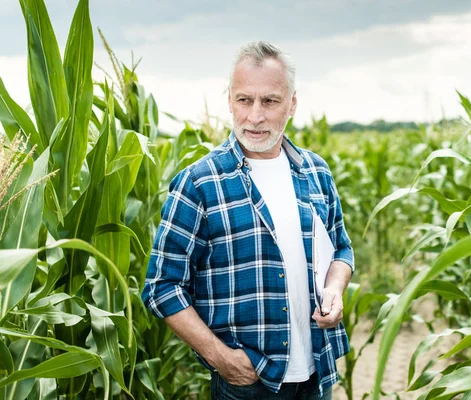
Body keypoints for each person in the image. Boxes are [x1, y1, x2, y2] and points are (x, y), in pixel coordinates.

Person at [142, 41, 354, 400]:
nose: (255, 116)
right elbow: (162, 286)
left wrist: (334, 289)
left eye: (270, 101)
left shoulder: (316, 171)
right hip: (249, 381)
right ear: (229, 101)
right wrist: (219, 357)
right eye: (244, 100)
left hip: (318, 370)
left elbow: (342, 250)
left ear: (292, 103)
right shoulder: (200, 183)